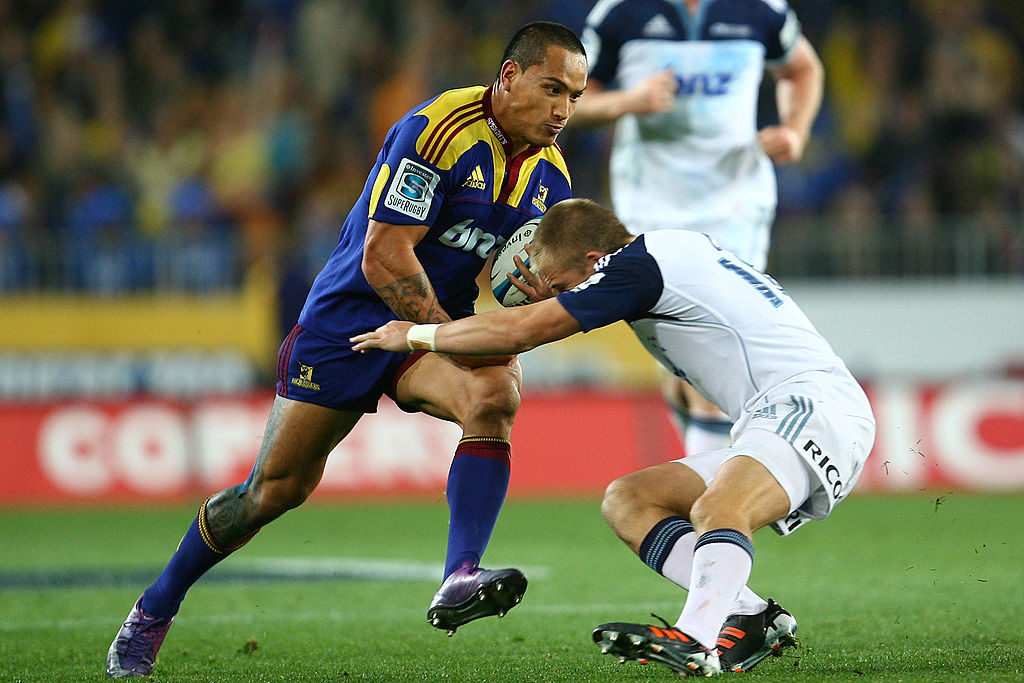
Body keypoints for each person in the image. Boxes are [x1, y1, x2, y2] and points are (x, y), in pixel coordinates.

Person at [105, 22, 588, 678]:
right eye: (552, 88)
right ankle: (153, 608)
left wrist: (537, 286)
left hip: (424, 332)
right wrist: (446, 335)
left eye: (576, 98)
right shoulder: (437, 131)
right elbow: (386, 255)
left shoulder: (551, 180)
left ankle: (459, 575)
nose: (563, 110)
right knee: (273, 491)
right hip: (350, 322)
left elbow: (538, 277)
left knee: (495, 391)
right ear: (508, 77)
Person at [351, 197, 876, 677]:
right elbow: (543, 318)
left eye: (561, 284)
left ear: (594, 258)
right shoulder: (659, 259)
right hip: (781, 415)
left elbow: (522, 332)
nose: (561, 297)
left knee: (720, 509)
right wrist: (547, 300)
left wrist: (415, 334)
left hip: (810, 406)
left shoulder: (639, 267)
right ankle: (749, 615)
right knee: (630, 501)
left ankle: (696, 638)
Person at [570, 0, 825, 458]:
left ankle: (706, 504)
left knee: (715, 351)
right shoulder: (619, 13)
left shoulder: (762, 11)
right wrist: (629, 101)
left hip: (735, 205)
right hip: (650, 206)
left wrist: (795, 130)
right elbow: (572, 101)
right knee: (682, 366)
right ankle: (706, 478)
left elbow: (801, 69)